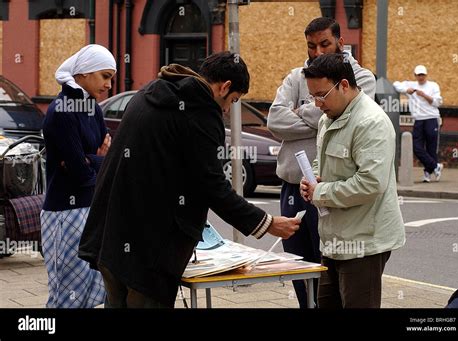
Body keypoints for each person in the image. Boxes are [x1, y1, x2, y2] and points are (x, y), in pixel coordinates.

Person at [78, 51, 301, 308]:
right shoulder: (201, 113)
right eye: (233, 100)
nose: (227, 109)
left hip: (110, 235)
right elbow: (213, 187)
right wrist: (267, 223)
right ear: (225, 86)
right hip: (149, 248)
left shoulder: (150, 92)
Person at [267, 17, 376, 308]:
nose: (317, 52)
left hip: (329, 189)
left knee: (329, 269)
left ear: (340, 42)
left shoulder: (360, 78)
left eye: (325, 44)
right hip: (293, 187)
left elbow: (336, 117)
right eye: (311, 46)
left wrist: (300, 111)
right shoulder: (296, 75)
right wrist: (317, 116)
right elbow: (274, 120)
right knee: (298, 266)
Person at [299, 53, 405, 308]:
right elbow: (321, 162)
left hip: (364, 242)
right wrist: (311, 179)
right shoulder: (329, 117)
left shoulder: (370, 122)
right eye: (313, 96)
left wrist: (320, 192)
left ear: (344, 85)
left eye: (321, 95)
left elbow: (370, 184)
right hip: (335, 238)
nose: (317, 104)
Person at [41, 44, 116, 308]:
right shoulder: (60, 110)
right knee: (67, 297)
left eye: (111, 78)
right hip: (64, 213)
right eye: (105, 76)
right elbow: (80, 173)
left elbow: (102, 161)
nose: (109, 84)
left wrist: (93, 159)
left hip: (91, 208)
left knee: (92, 293)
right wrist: (98, 159)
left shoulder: (93, 109)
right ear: (83, 73)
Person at [393, 65, 443, 183]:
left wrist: (424, 95)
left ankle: (428, 173)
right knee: (417, 147)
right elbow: (396, 84)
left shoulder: (433, 85)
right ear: (415, 76)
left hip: (431, 118)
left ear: (426, 75)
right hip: (418, 119)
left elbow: (438, 102)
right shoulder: (412, 85)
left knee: (431, 147)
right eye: (418, 75)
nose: (421, 77)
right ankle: (435, 166)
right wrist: (406, 90)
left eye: (422, 75)